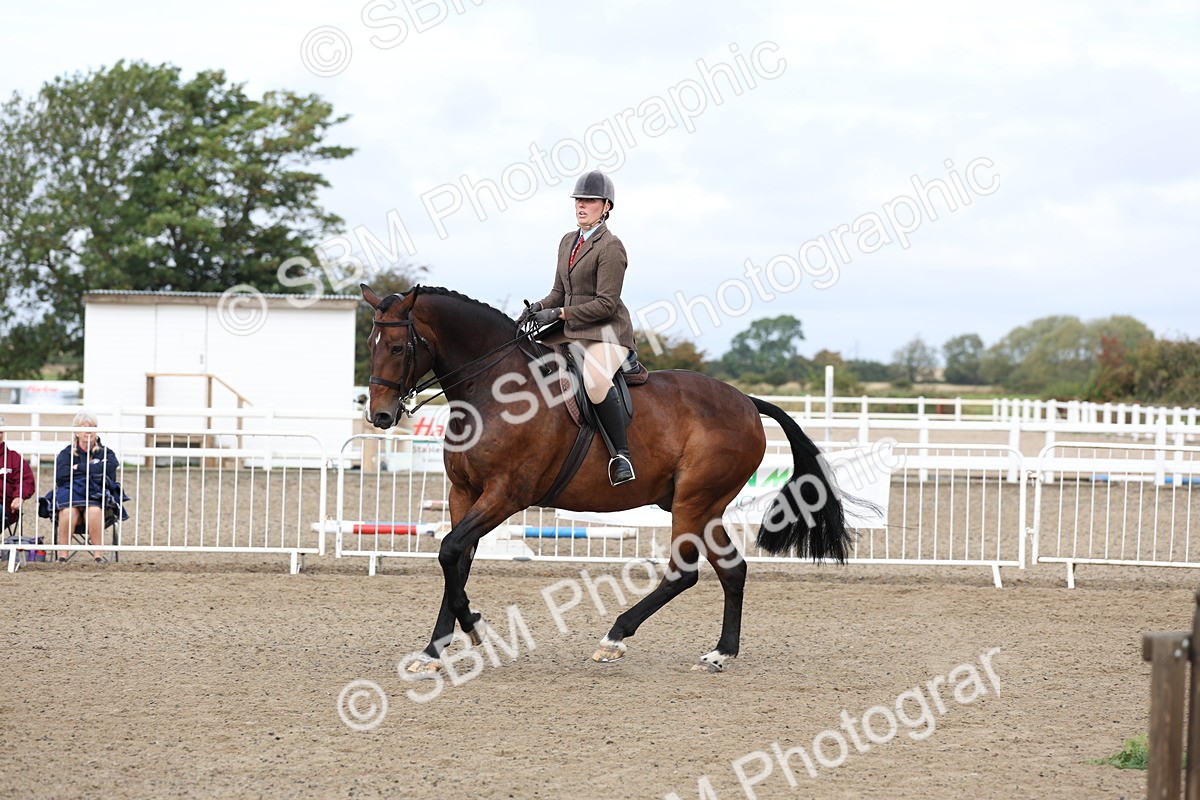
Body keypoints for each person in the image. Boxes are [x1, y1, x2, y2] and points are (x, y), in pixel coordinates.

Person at [517, 170, 637, 486]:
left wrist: (559, 314)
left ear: (606, 206)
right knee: (525, 358)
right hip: (570, 330)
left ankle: (621, 456)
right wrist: (538, 309)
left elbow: (606, 304)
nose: (581, 205)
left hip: (606, 332)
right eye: (579, 200)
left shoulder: (611, 246)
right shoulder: (568, 241)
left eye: (590, 201)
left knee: (595, 380)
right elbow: (558, 291)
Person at [42, 411, 127, 563]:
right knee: (68, 511)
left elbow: (110, 468)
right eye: (84, 427)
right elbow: (61, 476)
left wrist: (79, 467)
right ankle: (62, 556)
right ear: (76, 432)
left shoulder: (106, 452)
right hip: (71, 498)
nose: (89, 431)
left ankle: (98, 555)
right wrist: (94, 470)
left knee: (94, 509)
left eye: (92, 427)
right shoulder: (66, 453)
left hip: (96, 499)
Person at [0, 415, 36, 531]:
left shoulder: (13, 458)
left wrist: (19, 496)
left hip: (5, 506)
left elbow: (26, 480)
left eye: (0, 431)